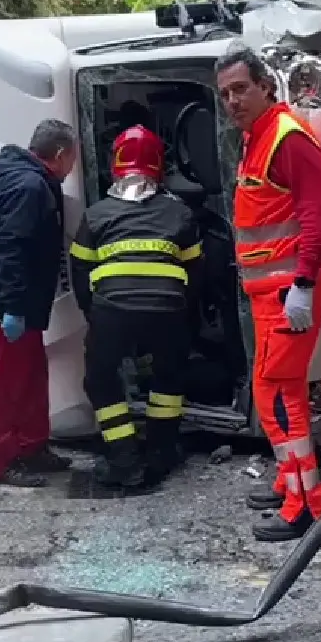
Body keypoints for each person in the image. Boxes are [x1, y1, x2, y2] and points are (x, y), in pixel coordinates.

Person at [215, 48, 321, 542]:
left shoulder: (285, 138)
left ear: (267, 86)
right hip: (274, 292)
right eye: (225, 94)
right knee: (276, 392)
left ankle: (307, 503)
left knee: (279, 395)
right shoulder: (258, 139)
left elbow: (319, 220)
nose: (232, 100)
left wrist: (303, 286)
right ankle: (292, 482)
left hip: (289, 290)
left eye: (240, 88)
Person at [68, 125, 203, 491]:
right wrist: (181, 310)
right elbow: (196, 269)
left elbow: (79, 267)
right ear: (160, 165)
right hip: (168, 309)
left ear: (115, 165)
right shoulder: (180, 215)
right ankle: (162, 451)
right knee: (169, 376)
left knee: (101, 378)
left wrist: (93, 312)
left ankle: (124, 459)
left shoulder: (96, 214)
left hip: (111, 310)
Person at [0, 119, 79, 488]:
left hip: (17, 301)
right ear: (60, 155)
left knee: (29, 376)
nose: (73, 166)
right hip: (6, 304)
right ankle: (1, 462)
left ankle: (32, 447)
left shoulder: (18, 177)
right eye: (73, 158)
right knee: (5, 382)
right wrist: (12, 307)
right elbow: (9, 249)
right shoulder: (29, 187)